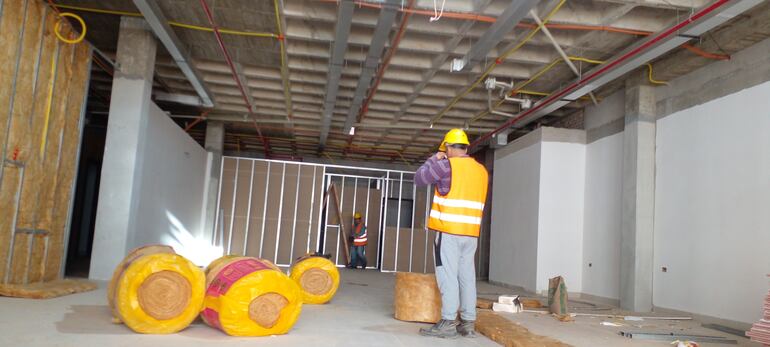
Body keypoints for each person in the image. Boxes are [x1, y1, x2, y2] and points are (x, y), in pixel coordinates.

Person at [414, 129, 489, 339]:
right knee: (466, 277)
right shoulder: (481, 170)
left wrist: (433, 159)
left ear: (447, 147)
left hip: (448, 231)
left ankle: (447, 322)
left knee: (447, 275)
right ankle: (468, 323)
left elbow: (419, 179)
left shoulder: (446, 166)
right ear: (466, 147)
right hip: (471, 234)